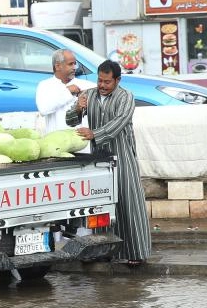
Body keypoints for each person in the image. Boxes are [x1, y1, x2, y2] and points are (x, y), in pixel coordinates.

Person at [66, 59, 151, 265]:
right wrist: (77, 108)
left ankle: (136, 253)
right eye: (100, 80)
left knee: (128, 202)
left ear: (117, 80)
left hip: (123, 156)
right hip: (99, 159)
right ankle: (104, 251)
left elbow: (119, 123)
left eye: (107, 82)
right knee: (102, 205)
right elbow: (70, 121)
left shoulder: (126, 97)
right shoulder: (90, 95)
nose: (102, 86)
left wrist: (94, 133)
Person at [35, 49, 92, 134]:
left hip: (82, 143)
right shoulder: (45, 86)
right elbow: (44, 109)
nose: (74, 67)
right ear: (57, 66)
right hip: (57, 143)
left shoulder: (87, 85)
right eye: (70, 64)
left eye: (75, 64)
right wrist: (68, 92)